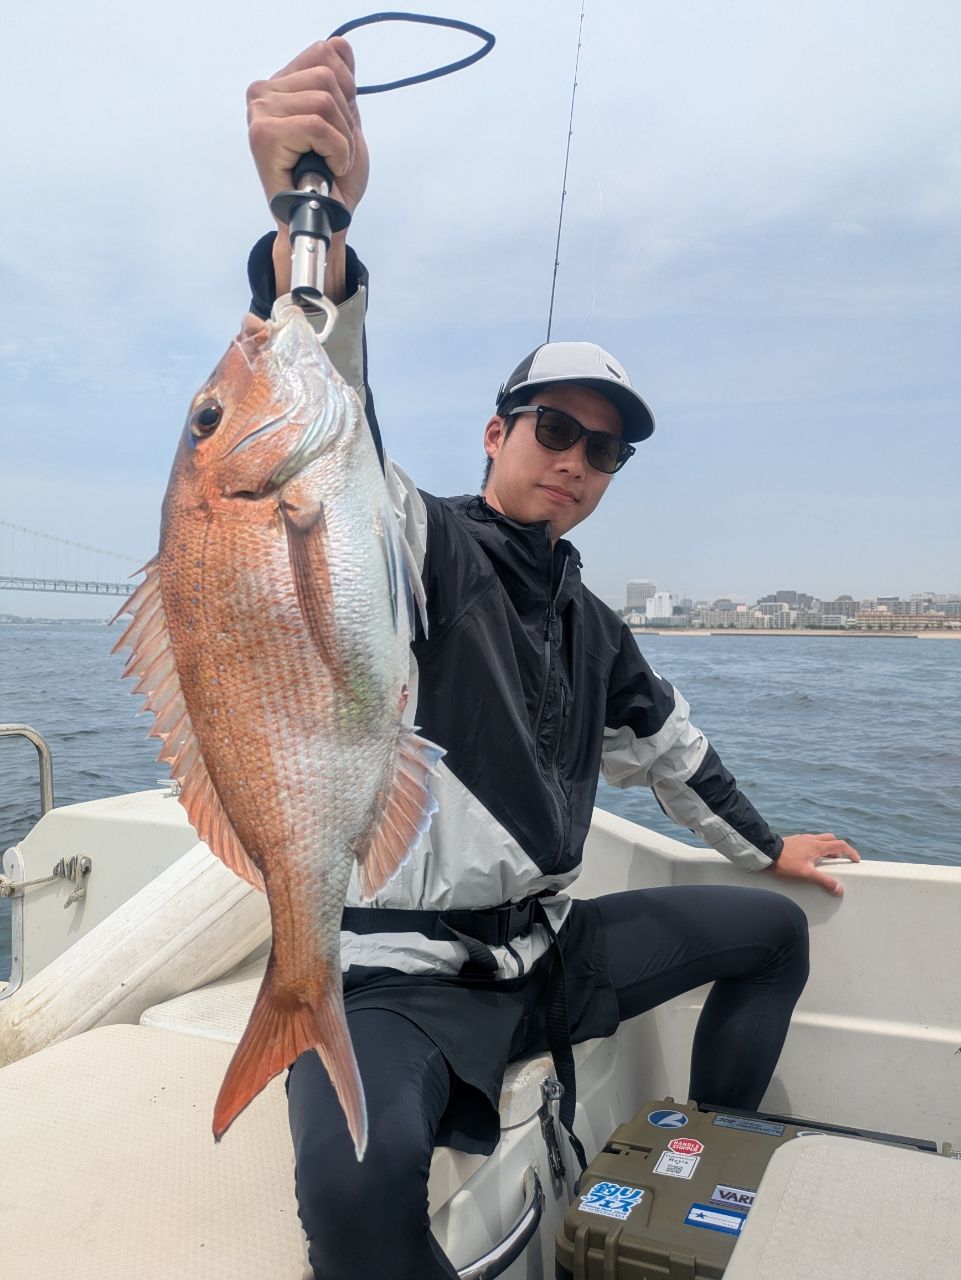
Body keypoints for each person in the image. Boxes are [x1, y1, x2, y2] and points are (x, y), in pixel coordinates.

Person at [243, 38, 860, 1280]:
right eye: (555, 428)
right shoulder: (415, 544)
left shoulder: (596, 623)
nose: (576, 461)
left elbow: (677, 753)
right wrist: (317, 238)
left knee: (771, 934)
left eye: (605, 450)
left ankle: (698, 1166)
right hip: (392, 973)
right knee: (353, 1187)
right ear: (496, 432)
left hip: (550, 949)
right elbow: (323, 431)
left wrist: (767, 847)